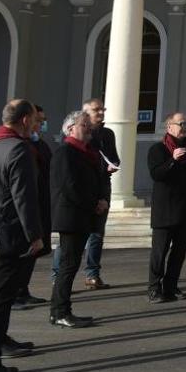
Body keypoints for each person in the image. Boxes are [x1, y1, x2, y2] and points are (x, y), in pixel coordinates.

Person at [0, 100, 44, 372]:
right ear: (25, 119)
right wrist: (35, 236)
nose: (36, 124)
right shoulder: (18, 149)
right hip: (5, 238)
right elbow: (24, 198)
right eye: (34, 119)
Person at [48, 110, 105, 329]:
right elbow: (70, 186)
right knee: (68, 266)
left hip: (82, 215)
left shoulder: (86, 152)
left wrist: (100, 199)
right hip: (71, 217)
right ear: (70, 128)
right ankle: (61, 312)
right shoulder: (66, 152)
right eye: (84, 125)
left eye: (89, 125)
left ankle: (58, 311)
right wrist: (93, 204)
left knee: (70, 265)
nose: (89, 128)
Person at [146, 112, 186, 303]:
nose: (184, 126)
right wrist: (172, 161)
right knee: (160, 251)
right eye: (181, 123)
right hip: (165, 209)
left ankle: (171, 286)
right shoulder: (158, 149)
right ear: (169, 127)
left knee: (179, 251)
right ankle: (154, 288)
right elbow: (156, 175)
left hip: (184, 208)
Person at [13, 104, 51, 309]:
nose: (41, 125)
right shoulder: (20, 145)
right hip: (27, 207)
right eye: (38, 120)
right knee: (23, 253)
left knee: (32, 255)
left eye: (43, 121)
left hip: (40, 204)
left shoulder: (39, 145)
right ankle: (15, 293)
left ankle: (23, 289)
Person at [80, 98, 119, 291]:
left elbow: (115, 158)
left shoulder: (107, 134)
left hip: (103, 186)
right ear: (85, 112)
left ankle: (92, 274)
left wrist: (112, 166)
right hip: (84, 188)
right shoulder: (79, 133)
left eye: (102, 109)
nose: (101, 113)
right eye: (96, 110)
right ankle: (58, 275)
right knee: (72, 234)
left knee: (97, 233)